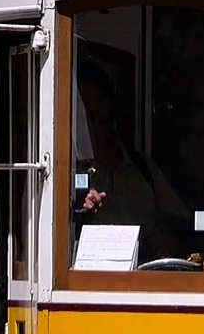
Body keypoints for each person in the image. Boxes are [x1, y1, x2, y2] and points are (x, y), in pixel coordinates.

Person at [72, 59, 193, 262]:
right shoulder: (64, 172)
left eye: (99, 115)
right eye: (86, 116)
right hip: (88, 277)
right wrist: (77, 212)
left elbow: (182, 221)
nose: (92, 125)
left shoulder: (141, 167)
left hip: (144, 276)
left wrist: (162, 239)